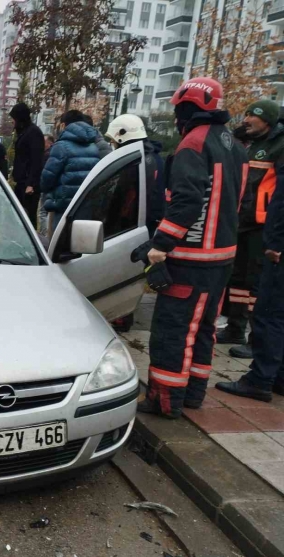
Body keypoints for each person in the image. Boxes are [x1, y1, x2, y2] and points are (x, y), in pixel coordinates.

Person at [137, 77, 248, 419]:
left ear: (189, 107)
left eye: (178, 109)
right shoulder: (234, 145)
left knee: (173, 331)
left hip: (191, 259)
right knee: (203, 329)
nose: (175, 118)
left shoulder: (193, 144)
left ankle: (164, 400)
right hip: (222, 257)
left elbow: (186, 201)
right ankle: (193, 393)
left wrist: (160, 244)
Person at [217, 100, 284, 359]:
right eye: (245, 114)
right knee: (238, 280)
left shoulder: (278, 146)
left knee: (256, 283)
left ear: (267, 120)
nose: (245, 119)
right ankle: (235, 328)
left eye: (252, 116)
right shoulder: (254, 144)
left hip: (263, 225)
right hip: (243, 221)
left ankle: (257, 339)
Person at [216, 164, 284, 401]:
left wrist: (275, 244)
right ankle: (278, 377)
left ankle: (260, 380)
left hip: (277, 250)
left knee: (269, 315)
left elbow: (280, 205)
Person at [105, 114, 164, 235]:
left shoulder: (133, 163)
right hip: (150, 224)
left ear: (122, 135)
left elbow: (119, 199)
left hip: (131, 227)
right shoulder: (154, 158)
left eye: (113, 140)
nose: (112, 144)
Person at [41, 110, 100, 229]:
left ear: (63, 125)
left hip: (63, 207)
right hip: (85, 205)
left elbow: (47, 179)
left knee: (58, 244)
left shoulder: (61, 146)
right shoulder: (94, 147)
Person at [9, 102, 45, 227]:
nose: (12, 121)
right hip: (21, 182)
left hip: (28, 185)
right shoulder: (24, 132)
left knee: (28, 217)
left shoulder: (33, 133)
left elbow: (36, 160)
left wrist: (31, 184)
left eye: (13, 118)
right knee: (20, 217)